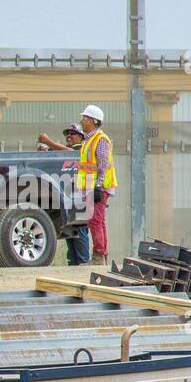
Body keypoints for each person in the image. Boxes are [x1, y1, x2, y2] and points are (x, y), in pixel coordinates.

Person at [38, 123, 91, 265]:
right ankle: (73, 264)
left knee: (80, 230)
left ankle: (83, 262)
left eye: (72, 133)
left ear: (81, 137)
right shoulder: (68, 150)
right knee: (70, 230)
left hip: (81, 194)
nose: (69, 136)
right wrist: (46, 150)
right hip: (68, 195)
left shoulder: (82, 147)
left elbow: (69, 152)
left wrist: (48, 142)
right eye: (67, 133)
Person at [77, 104, 117, 265]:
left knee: (95, 221)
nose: (82, 121)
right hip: (92, 186)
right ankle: (102, 256)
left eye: (85, 118)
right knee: (98, 221)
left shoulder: (100, 140)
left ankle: (99, 256)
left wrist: (98, 187)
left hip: (99, 187)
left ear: (93, 121)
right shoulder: (90, 139)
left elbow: (103, 165)